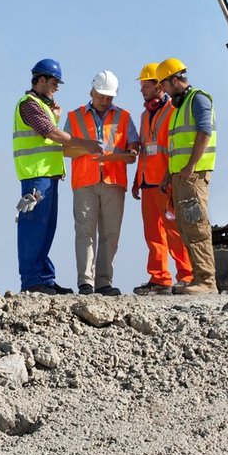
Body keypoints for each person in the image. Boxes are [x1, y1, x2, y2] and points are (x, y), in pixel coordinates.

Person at [14, 58, 102, 295]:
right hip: (35, 177)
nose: (57, 87)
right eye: (54, 82)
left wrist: (53, 109)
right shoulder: (29, 104)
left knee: (46, 229)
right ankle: (33, 281)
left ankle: (44, 278)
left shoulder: (41, 105)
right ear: (41, 80)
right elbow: (50, 133)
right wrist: (86, 144)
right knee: (34, 228)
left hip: (46, 176)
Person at [65, 71, 138, 295]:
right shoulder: (74, 116)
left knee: (110, 233)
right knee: (84, 231)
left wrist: (132, 151)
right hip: (84, 181)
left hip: (113, 181)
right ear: (92, 91)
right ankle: (85, 282)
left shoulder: (124, 116)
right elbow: (65, 148)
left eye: (109, 98)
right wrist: (85, 146)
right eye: (101, 96)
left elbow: (134, 143)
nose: (105, 101)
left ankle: (104, 282)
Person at [158, 57, 218, 294]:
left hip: (193, 177)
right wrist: (168, 175)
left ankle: (206, 281)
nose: (162, 89)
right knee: (185, 227)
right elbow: (175, 147)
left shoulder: (198, 99)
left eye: (164, 84)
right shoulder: (179, 107)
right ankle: (197, 278)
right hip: (181, 177)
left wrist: (191, 166)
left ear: (175, 79)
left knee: (196, 226)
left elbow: (205, 132)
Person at [131, 62, 191, 295]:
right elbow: (146, 149)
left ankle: (186, 275)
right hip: (148, 183)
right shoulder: (145, 114)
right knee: (153, 234)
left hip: (166, 182)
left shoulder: (173, 112)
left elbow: (172, 149)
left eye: (146, 85)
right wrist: (137, 180)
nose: (142, 90)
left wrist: (170, 178)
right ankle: (159, 279)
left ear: (160, 85)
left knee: (174, 231)